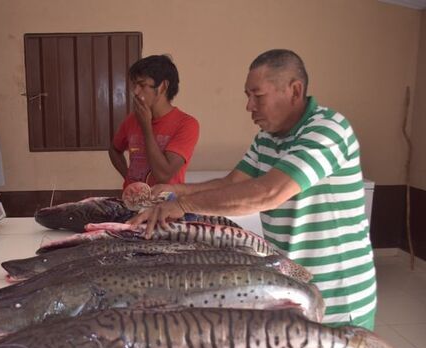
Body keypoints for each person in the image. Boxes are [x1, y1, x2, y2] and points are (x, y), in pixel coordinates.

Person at [129, 49, 376, 330]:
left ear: (294, 90)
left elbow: (268, 193)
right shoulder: (266, 138)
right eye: (247, 95)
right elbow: (233, 183)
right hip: (292, 288)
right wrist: (177, 190)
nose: (249, 106)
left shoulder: (327, 129)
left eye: (257, 96)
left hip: (338, 297)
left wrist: (183, 206)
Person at [108, 55, 200, 189]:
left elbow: (164, 175)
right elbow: (114, 150)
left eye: (142, 85)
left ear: (163, 86)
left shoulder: (187, 124)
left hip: (166, 205)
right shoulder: (132, 120)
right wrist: (128, 176)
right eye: (134, 85)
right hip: (132, 203)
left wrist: (146, 127)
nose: (136, 92)